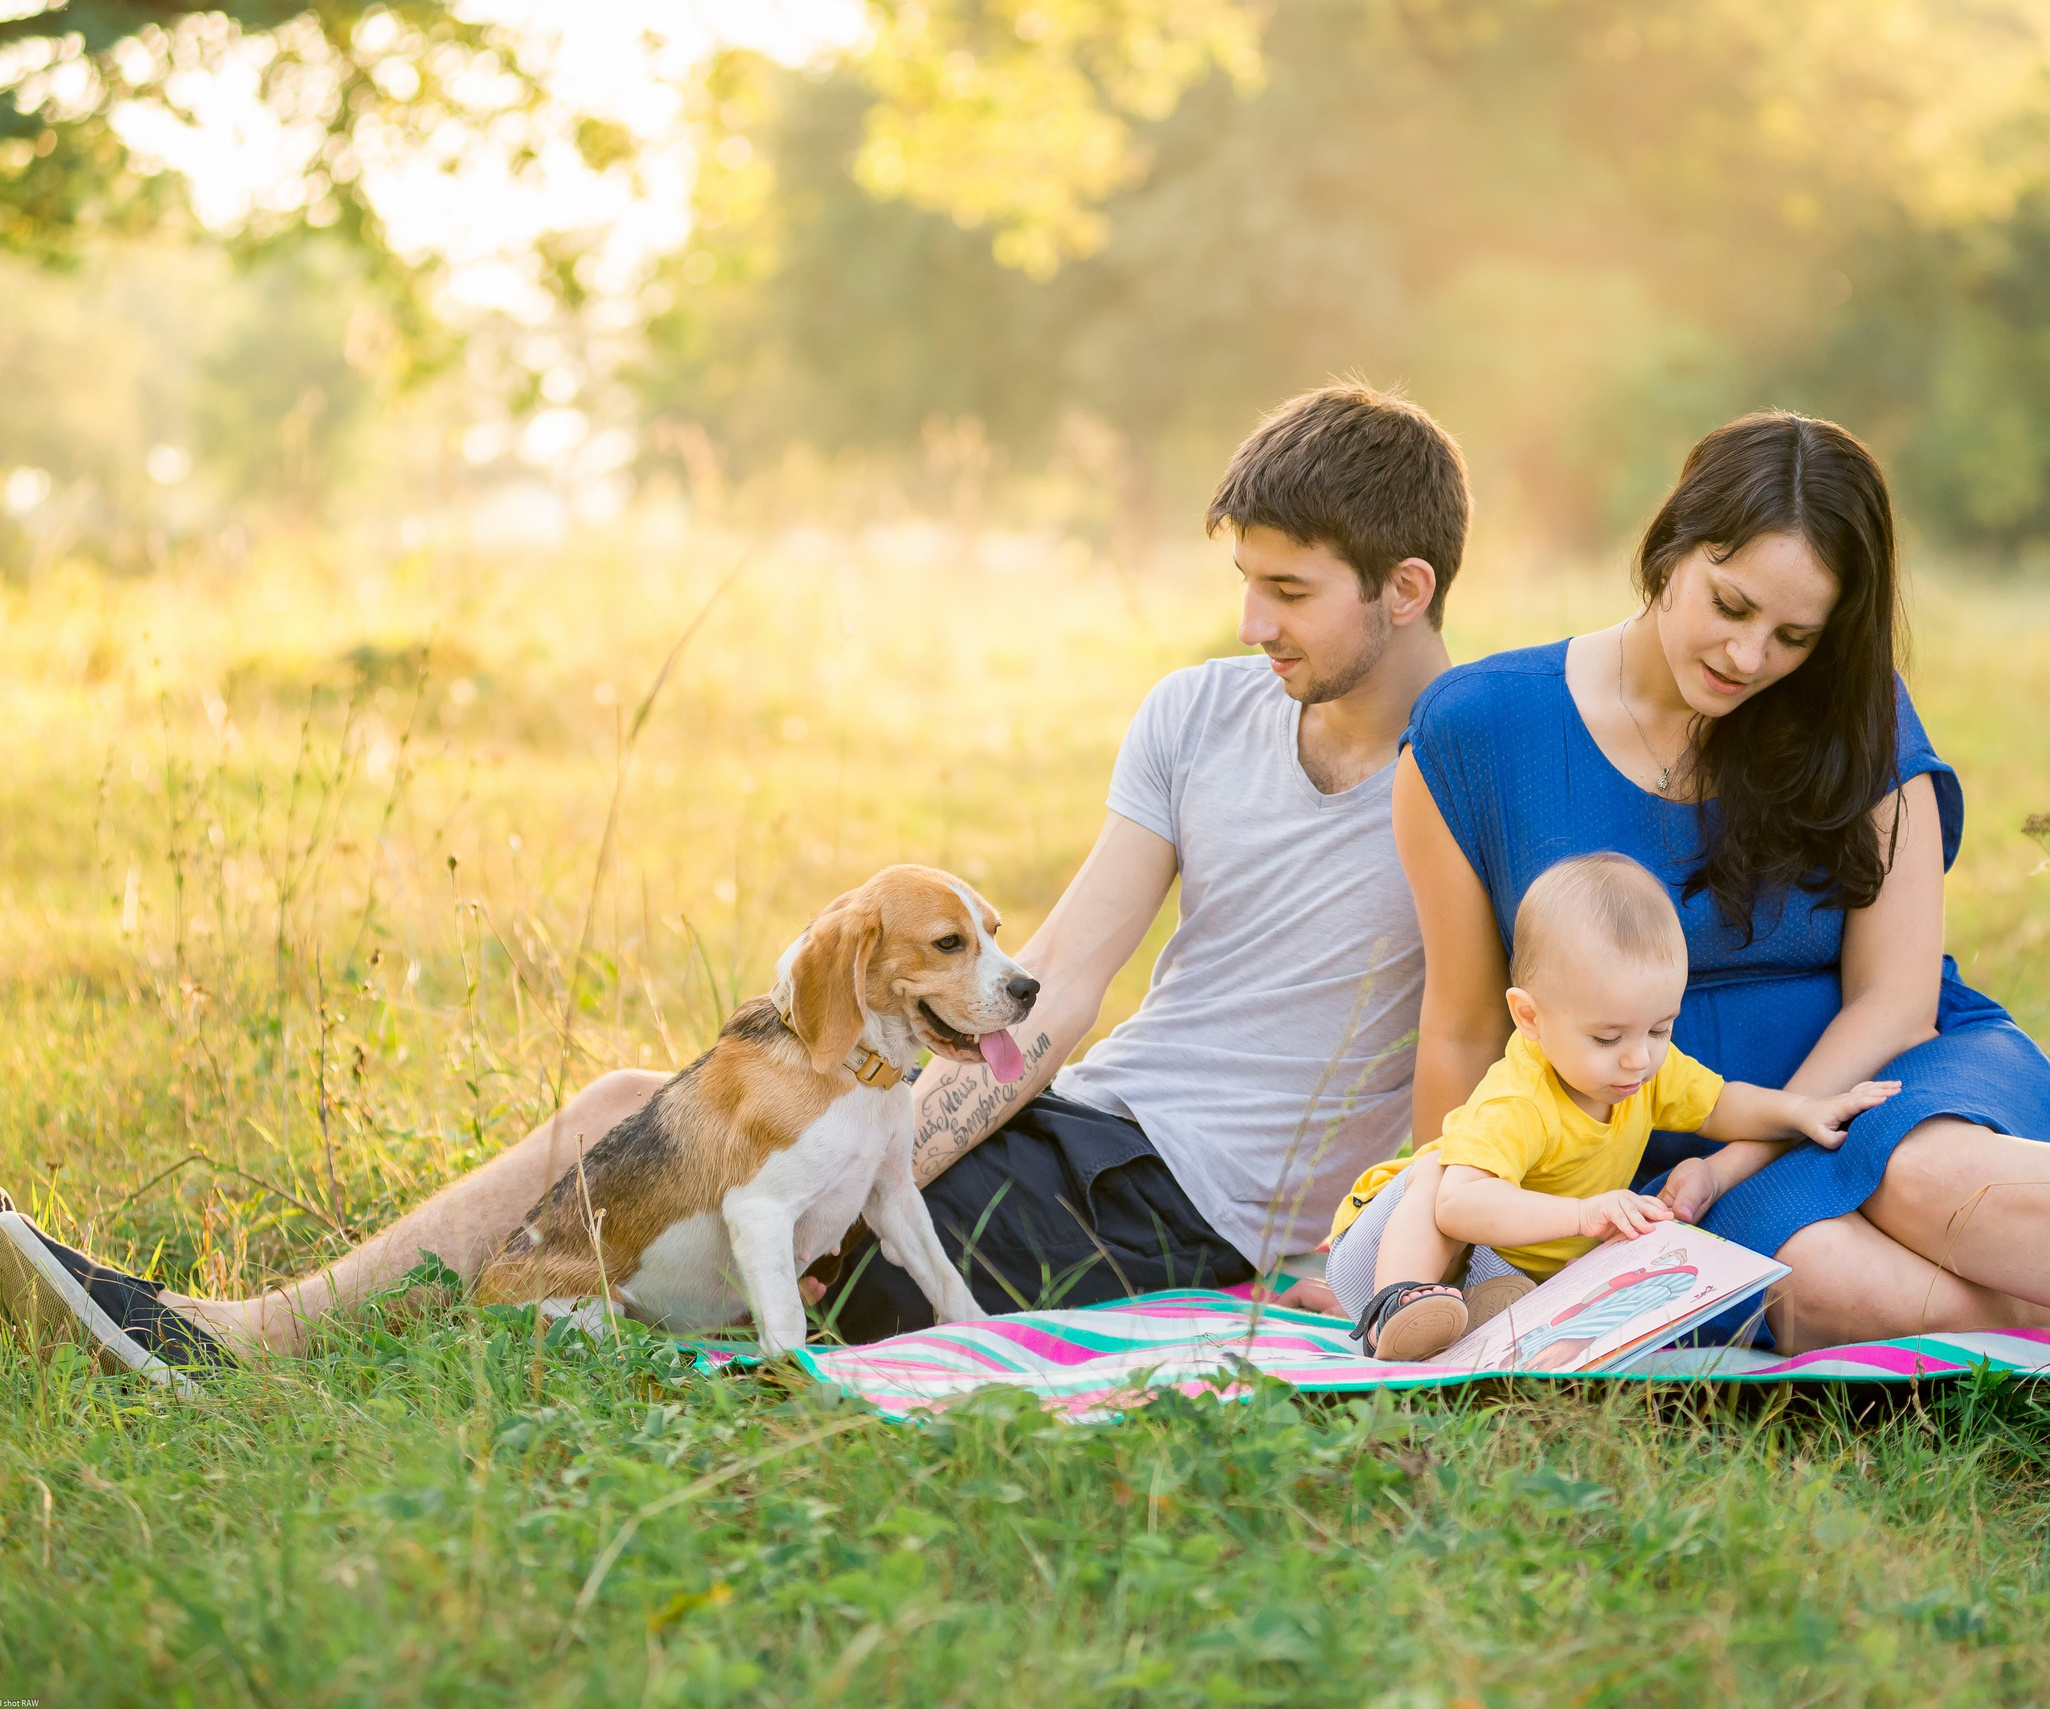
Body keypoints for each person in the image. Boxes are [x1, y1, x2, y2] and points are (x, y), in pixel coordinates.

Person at [0, 383, 1468, 1373]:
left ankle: (258, 1343)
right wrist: (867, 1137)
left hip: (1187, 1213)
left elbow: (1494, 1043)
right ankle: (253, 1336)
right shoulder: (1196, 712)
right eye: (1244, 584)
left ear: (1404, 590)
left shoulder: (1476, 765)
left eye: (1289, 592)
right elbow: (1060, 988)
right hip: (1076, 1123)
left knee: (685, 1178)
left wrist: (1400, 1258)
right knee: (652, 1118)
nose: (1252, 624)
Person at [1395, 410, 2050, 1353]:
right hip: (1664, 1141)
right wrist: (1445, 1258)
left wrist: (1743, 1153)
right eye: (1730, 604)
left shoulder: (1854, 713)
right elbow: (1463, 1026)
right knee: (1827, 1287)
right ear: (1668, 547)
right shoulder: (1479, 728)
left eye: (1794, 636)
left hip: (1886, 1072)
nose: (1749, 656)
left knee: (1930, 1176)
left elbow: (1894, 999)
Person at [1324, 852, 1896, 1358]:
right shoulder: (1518, 1099)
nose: (1638, 1059)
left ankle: (1469, 1320)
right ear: (1529, 1017)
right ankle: (1394, 1307)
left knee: (1548, 1287)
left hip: (1485, 1264)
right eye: (1607, 1038)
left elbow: (1720, 1104)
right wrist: (1583, 1215)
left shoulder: (1642, 1071)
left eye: (1660, 1029)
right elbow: (1456, 1208)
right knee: (1441, 1169)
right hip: (1384, 1247)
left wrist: (1798, 1111)